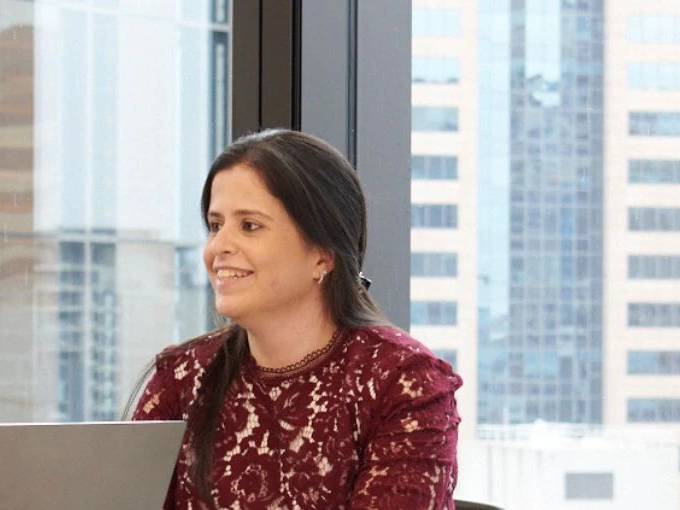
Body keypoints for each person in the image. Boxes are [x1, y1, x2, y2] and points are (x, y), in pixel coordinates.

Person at [131, 129, 464, 509]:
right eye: (215, 224)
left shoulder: (404, 382)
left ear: (323, 254)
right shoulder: (180, 377)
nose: (218, 247)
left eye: (250, 226)